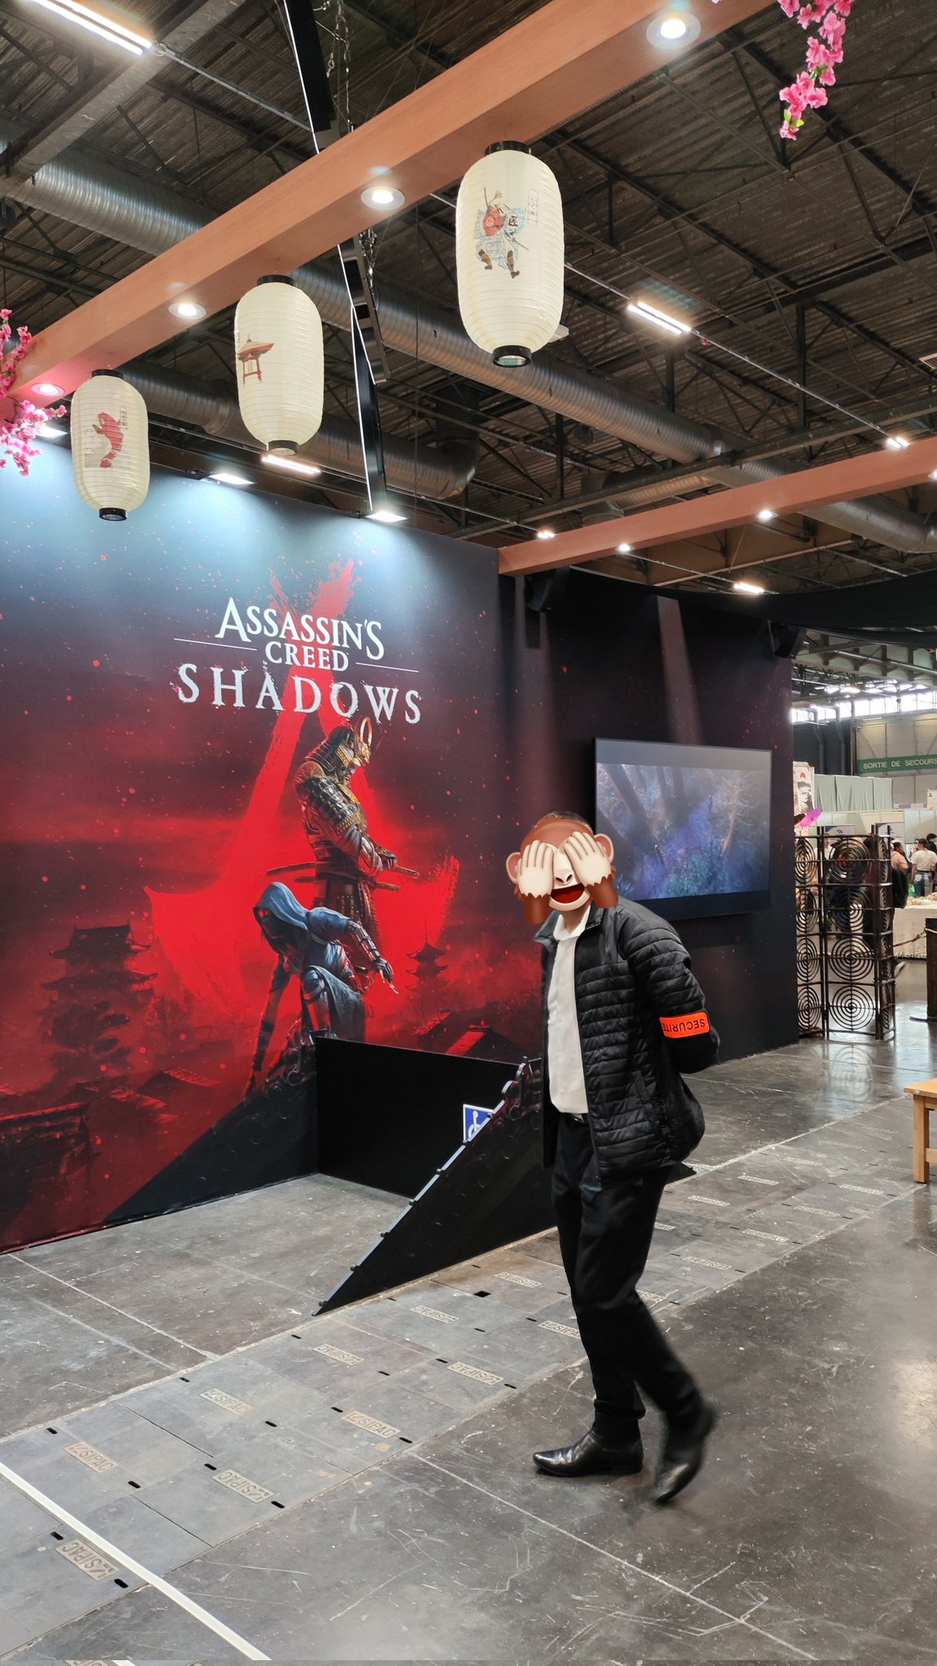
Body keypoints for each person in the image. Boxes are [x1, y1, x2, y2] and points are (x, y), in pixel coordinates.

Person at [505, 812, 720, 1505]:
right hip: (573, 1137)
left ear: (599, 855)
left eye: (571, 862)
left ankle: (686, 1411)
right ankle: (616, 1432)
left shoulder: (639, 932)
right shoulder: (554, 937)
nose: (560, 878)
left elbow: (697, 1046)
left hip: (629, 1139)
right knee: (587, 1292)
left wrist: (663, 1033)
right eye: (545, 868)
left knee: (604, 1291)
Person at [890, 840, 910, 910]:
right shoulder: (899, 857)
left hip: (887, 879)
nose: (902, 849)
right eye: (901, 847)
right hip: (898, 879)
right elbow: (905, 867)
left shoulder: (886, 857)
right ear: (896, 848)